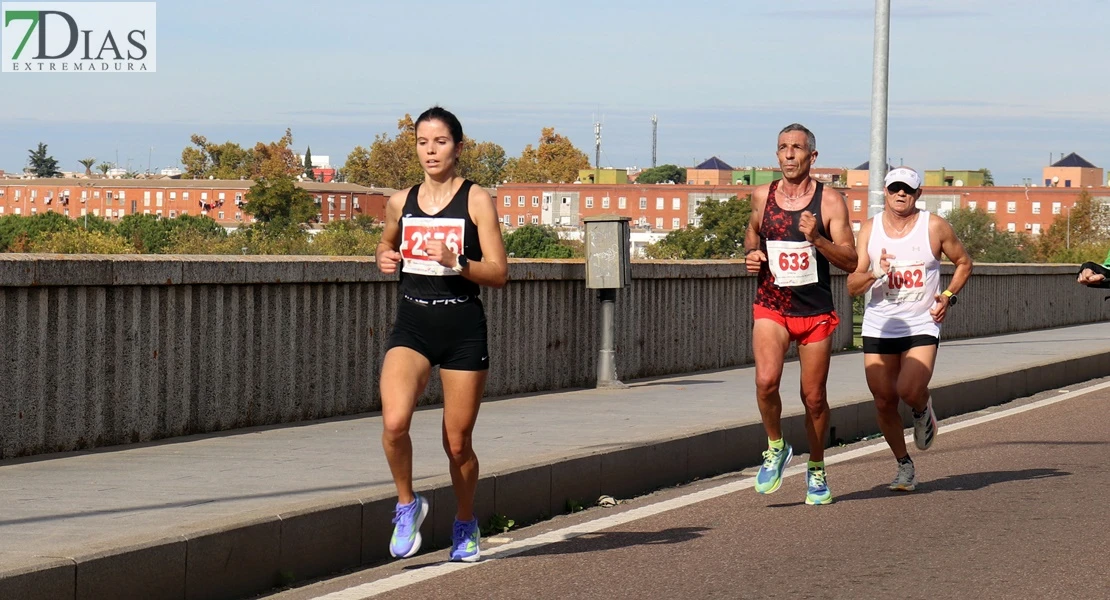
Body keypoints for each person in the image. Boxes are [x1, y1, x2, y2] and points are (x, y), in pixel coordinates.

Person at [375, 106, 508, 562]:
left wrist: (457, 262)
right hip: (412, 324)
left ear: (458, 146)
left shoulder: (476, 200)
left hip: (462, 328)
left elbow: (499, 272)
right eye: (422, 142)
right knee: (394, 424)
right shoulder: (400, 200)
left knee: (457, 443)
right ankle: (407, 505)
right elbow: (387, 243)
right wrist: (384, 257)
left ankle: (466, 521)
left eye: (440, 142)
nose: (430, 151)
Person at [744, 123, 858, 505]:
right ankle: (776, 446)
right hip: (772, 305)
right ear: (776, 155)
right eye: (782, 148)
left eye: (796, 148)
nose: (789, 154)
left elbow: (851, 260)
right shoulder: (763, 196)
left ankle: (817, 468)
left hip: (814, 312)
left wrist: (818, 239)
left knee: (813, 397)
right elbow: (751, 233)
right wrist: (752, 254)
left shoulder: (830, 202)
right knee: (765, 381)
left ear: (812, 156)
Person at [846, 167, 972, 492]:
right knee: (883, 400)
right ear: (886, 192)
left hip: (922, 321)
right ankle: (904, 465)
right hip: (880, 324)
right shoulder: (870, 230)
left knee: (908, 389)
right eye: (894, 189)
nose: (900, 194)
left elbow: (964, 262)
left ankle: (921, 407)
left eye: (908, 190)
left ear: (917, 194)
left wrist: (947, 296)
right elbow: (852, 286)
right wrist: (876, 272)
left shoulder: (934, 226)